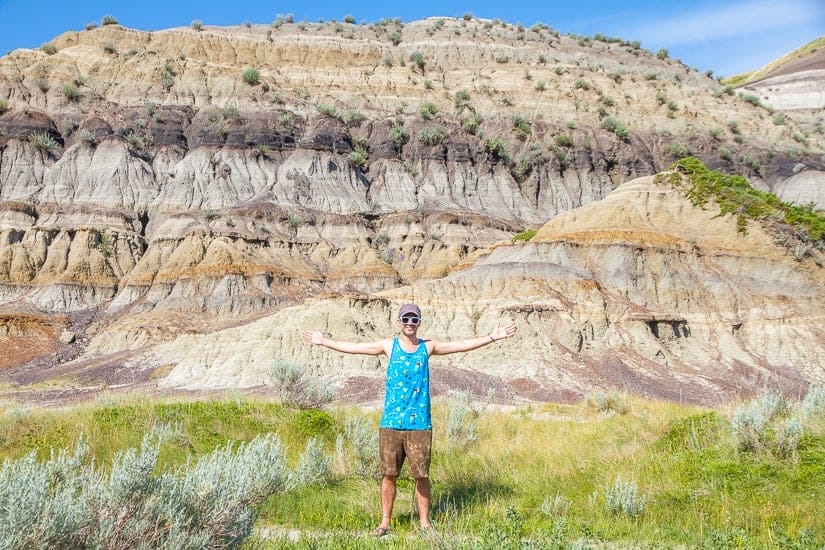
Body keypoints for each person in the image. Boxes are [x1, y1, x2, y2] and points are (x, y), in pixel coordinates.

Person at [301, 303, 517, 537]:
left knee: (421, 476)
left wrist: (492, 337)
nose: (410, 324)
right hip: (391, 423)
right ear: (399, 321)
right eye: (406, 319)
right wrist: (324, 341)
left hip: (420, 425)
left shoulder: (428, 347)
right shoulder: (388, 346)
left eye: (414, 320)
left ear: (419, 322)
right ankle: (384, 523)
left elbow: (459, 346)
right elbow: (355, 348)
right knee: (388, 474)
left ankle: (425, 523)